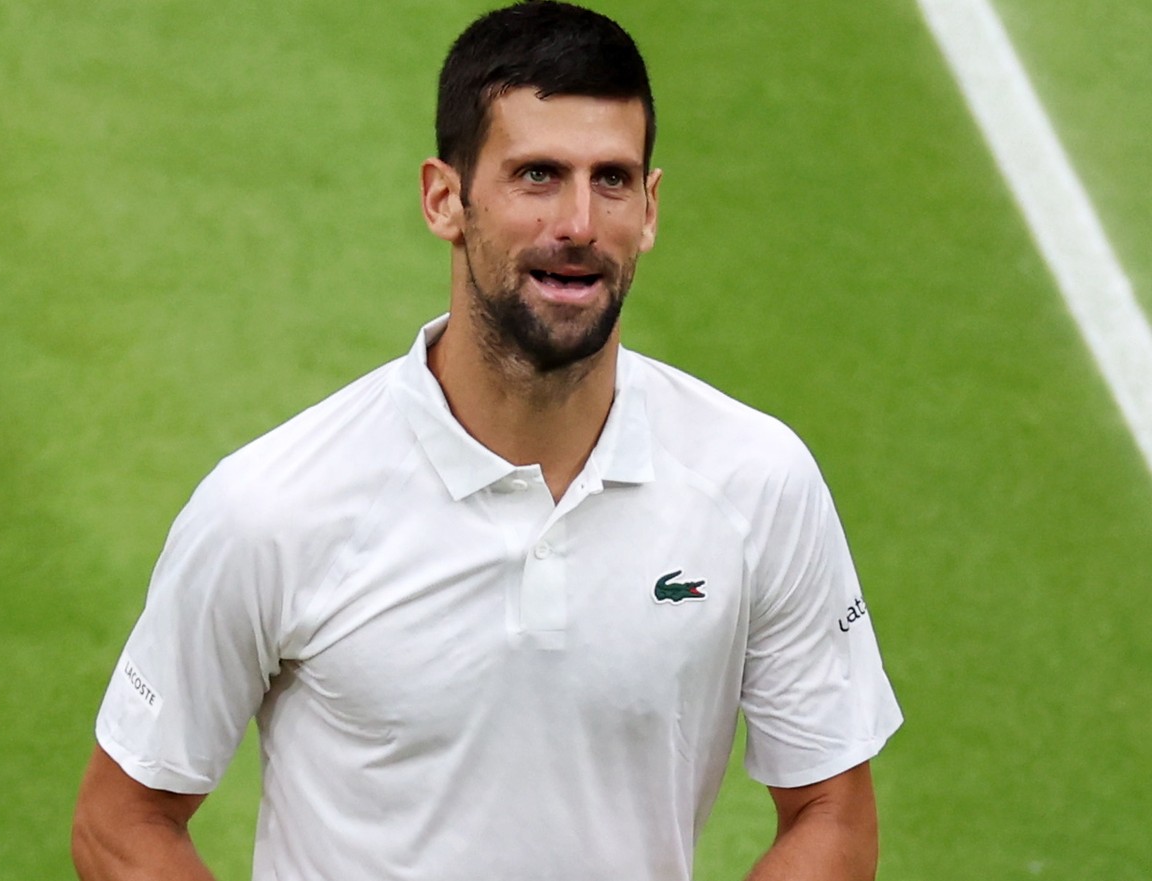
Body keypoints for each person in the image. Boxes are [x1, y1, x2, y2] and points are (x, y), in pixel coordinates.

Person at [71, 2, 902, 879]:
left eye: (611, 179)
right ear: (445, 198)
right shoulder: (272, 506)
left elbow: (830, 811)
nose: (579, 223)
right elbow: (123, 820)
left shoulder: (758, 482)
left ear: (650, 209)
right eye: (538, 175)